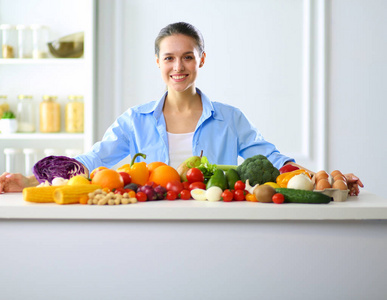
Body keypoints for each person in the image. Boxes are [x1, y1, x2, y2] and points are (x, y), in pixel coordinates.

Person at [0, 22, 363, 195]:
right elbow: (93, 160)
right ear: (156, 62)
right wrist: (31, 181)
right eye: (170, 58)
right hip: (152, 219)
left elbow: (271, 159)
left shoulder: (230, 118)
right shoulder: (134, 120)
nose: (179, 67)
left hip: (215, 217)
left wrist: (322, 178)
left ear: (201, 59)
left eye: (188, 57)